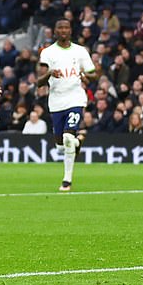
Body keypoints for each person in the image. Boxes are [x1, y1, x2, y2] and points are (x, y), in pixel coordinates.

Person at [37, 19, 97, 192]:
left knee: (68, 138)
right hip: (56, 101)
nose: (63, 30)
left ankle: (67, 180)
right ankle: (78, 143)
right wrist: (49, 73)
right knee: (60, 145)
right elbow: (39, 82)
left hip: (75, 99)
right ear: (55, 31)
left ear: (70, 30)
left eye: (66, 27)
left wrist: (86, 75)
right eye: (60, 27)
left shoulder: (80, 51)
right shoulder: (48, 53)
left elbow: (94, 75)